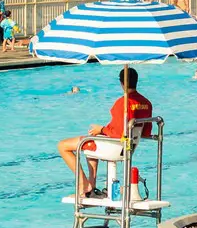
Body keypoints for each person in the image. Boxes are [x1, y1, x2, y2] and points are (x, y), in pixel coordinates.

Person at [57, 67, 153, 198]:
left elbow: (119, 134)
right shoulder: (146, 103)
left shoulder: (122, 103)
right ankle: (90, 186)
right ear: (136, 81)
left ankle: (83, 185)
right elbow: (146, 132)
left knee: (63, 146)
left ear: (122, 83)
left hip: (113, 147)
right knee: (91, 140)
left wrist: (101, 129)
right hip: (128, 149)